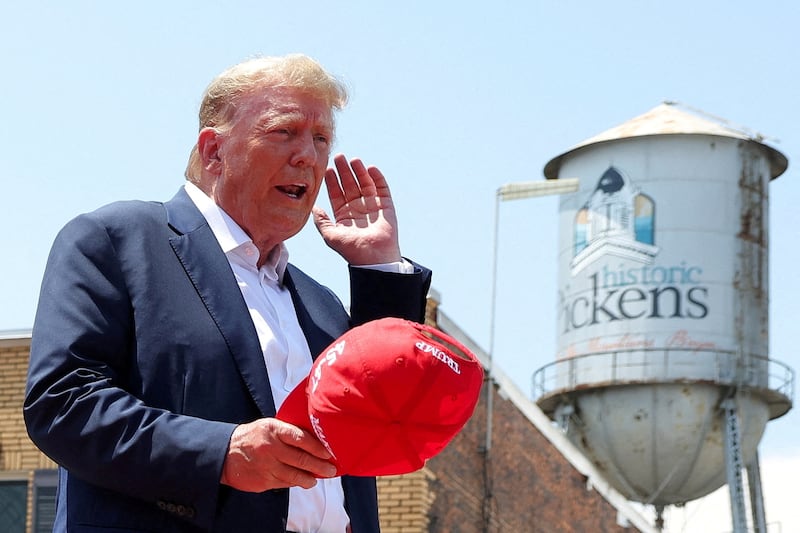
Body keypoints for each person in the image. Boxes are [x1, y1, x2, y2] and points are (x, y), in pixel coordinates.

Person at [23, 54, 432, 533]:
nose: (308, 155)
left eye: (321, 139)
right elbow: (62, 402)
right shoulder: (118, 241)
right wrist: (222, 453)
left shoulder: (320, 304)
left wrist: (378, 266)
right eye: (284, 131)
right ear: (215, 151)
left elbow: (387, 420)